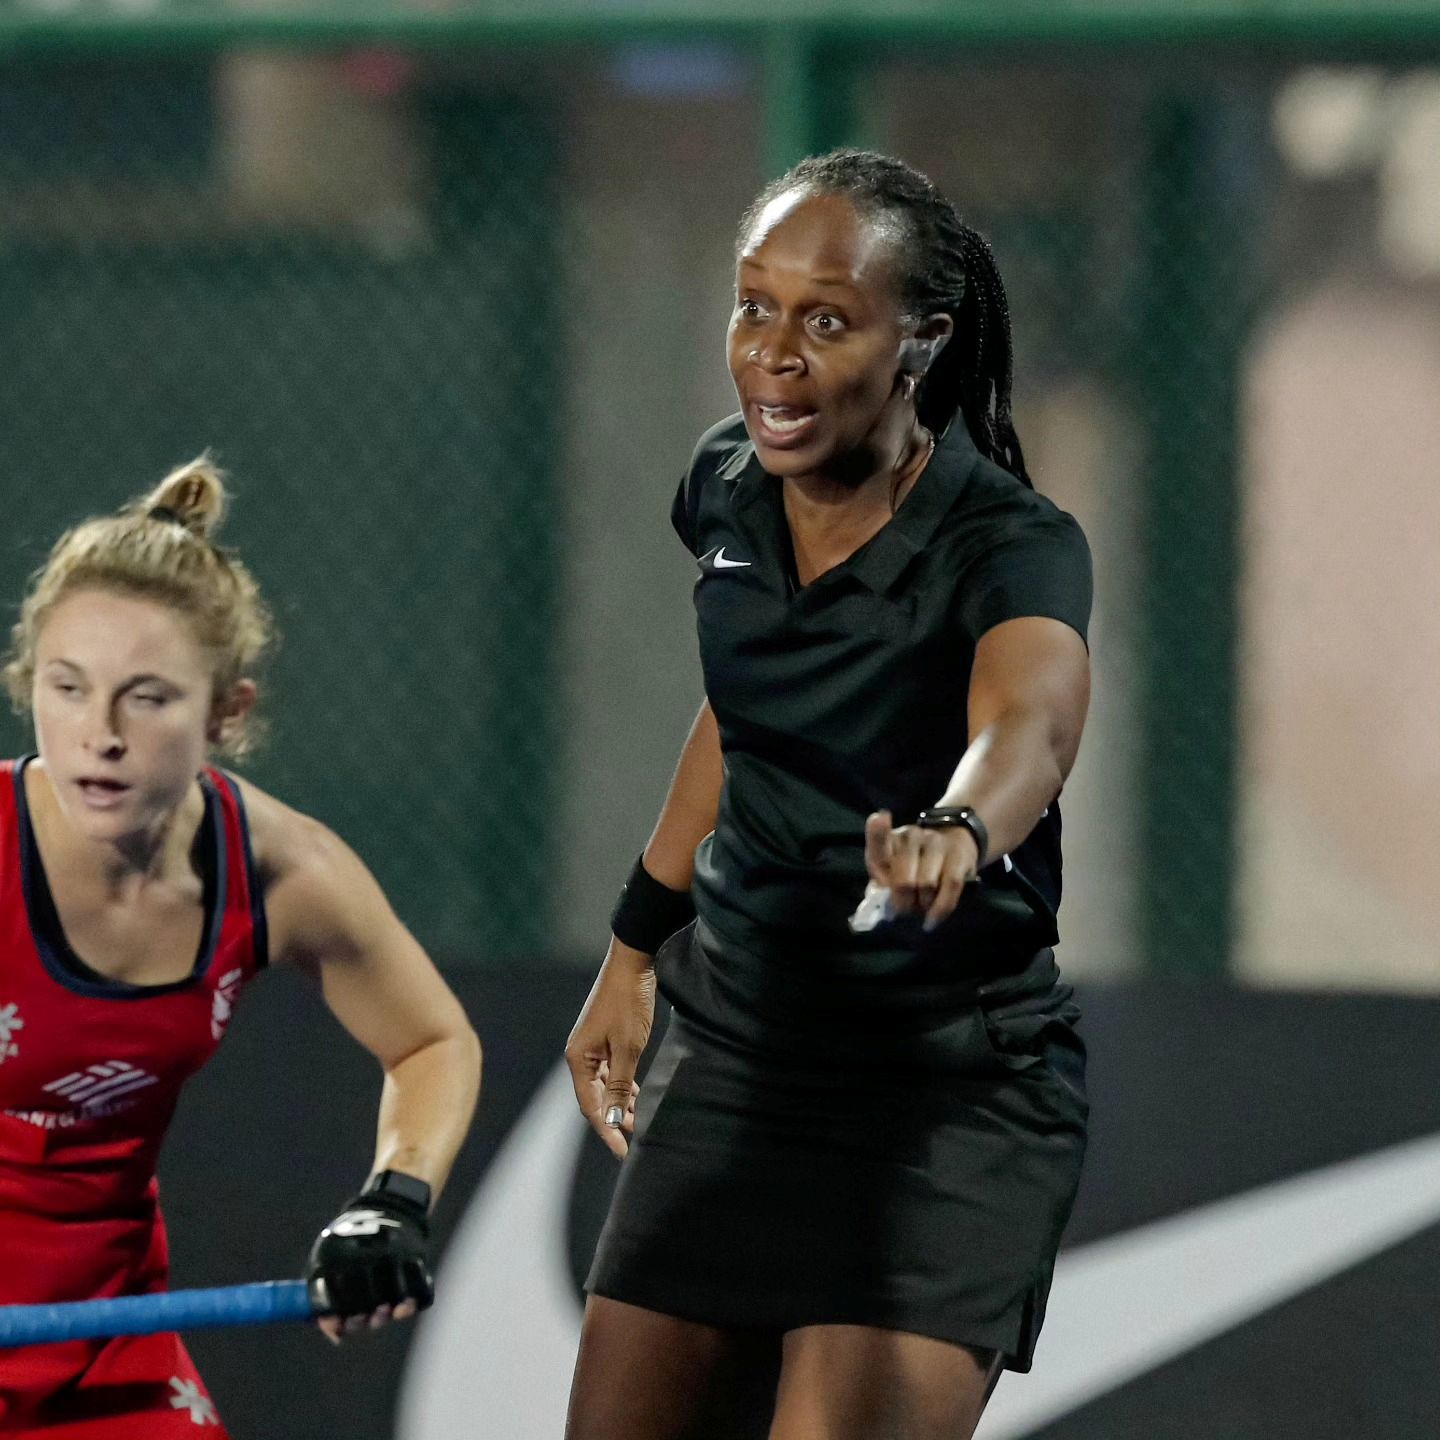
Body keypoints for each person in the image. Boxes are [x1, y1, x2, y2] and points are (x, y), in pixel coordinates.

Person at [564, 149, 1093, 1440]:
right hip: (742, 1049)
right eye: (755, 307)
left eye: (826, 319)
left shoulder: (1008, 542)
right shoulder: (726, 489)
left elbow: (1030, 719)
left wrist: (962, 831)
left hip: (941, 1097)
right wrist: (635, 944)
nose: (773, 354)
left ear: (922, 342)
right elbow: (744, 716)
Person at [0, 458, 482, 1435]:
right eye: (68, 687)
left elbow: (433, 1043)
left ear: (228, 711)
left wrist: (392, 1202)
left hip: (106, 1336)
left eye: (148, 697)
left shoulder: (284, 871)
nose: (99, 734)